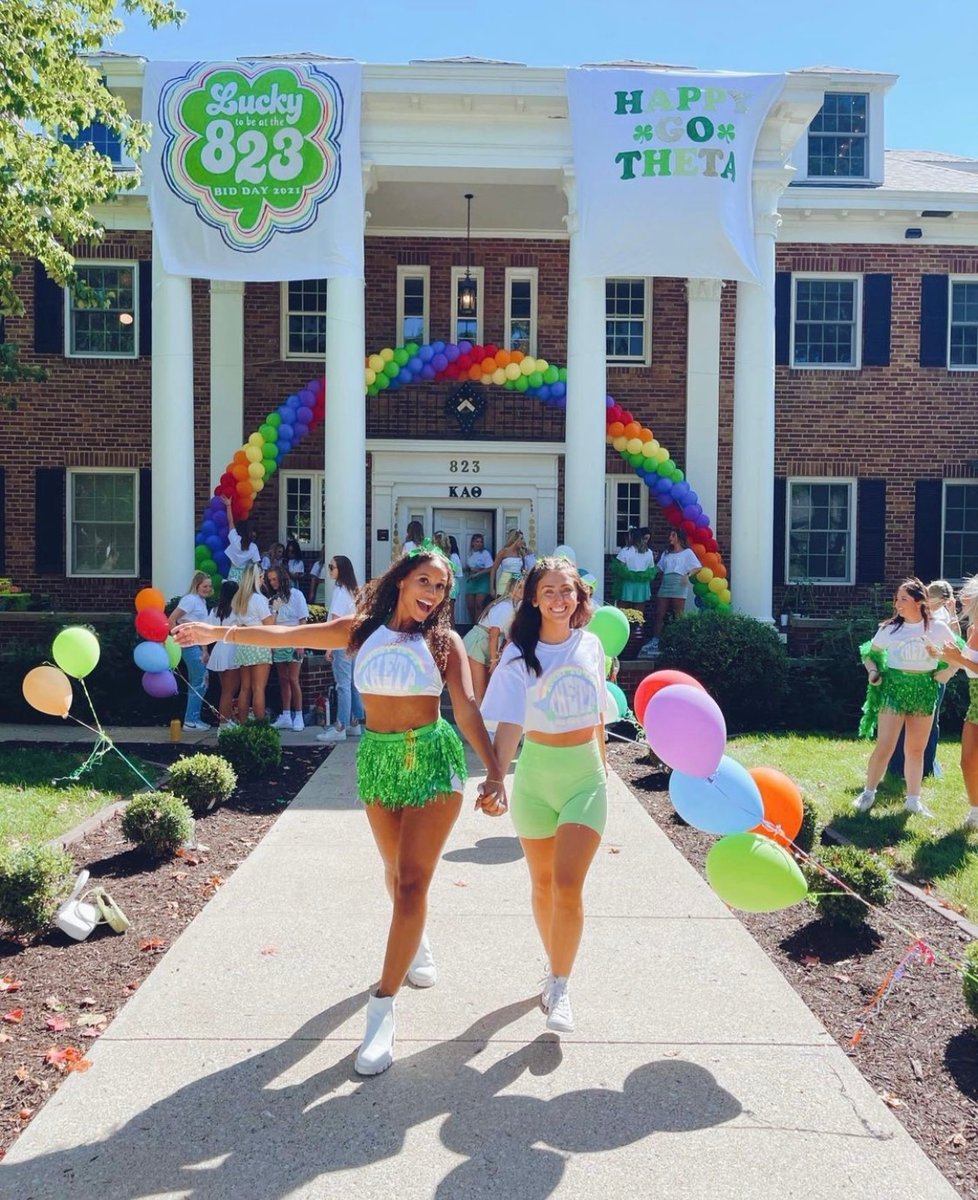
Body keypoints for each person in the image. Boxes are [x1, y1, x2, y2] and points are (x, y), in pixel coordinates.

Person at [174, 544, 506, 1077]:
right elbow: (289, 636)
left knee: (412, 883)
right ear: (402, 581)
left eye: (442, 586)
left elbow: (466, 710)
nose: (433, 593)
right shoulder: (359, 631)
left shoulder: (443, 643)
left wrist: (493, 772)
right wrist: (219, 633)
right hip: (378, 760)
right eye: (425, 581)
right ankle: (415, 941)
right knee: (395, 872)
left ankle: (382, 1009)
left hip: (431, 760)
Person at [481, 556, 610, 1035]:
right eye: (549, 591)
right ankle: (554, 965)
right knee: (542, 885)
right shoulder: (518, 655)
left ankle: (560, 984)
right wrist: (496, 779)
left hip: (584, 777)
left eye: (567, 590)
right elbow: (509, 725)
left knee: (567, 885)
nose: (559, 599)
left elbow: (598, 714)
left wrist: (603, 770)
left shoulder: (591, 645)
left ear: (579, 596)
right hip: (535, 777)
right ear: (534, 599)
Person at [854, 578, 956, 819]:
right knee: (885, 744)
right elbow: (868, 653)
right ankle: (868, 794)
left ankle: (913, 801)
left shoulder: (938, 628)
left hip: (924, 690)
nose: (897, 604)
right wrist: (873, 672)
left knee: (916, 749)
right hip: (893, 690)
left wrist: (946, 672)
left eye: (903, 599)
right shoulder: (889, 629)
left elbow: (956, 654)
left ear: (919, 602)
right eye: (896, 599)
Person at [888, 578, 960, 780]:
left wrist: (953, 613)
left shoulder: (943, 615)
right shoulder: (917, 613)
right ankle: (897, 767)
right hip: (908, 673)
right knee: (902, 720)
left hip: (933, 674)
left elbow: (957, 644)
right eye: (940, 600)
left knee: (930, 721)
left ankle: (926, 766)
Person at [926, 575, 978, 828]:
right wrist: (940, 654)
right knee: (967, 761)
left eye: (968, 596)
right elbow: (964, 665)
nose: (962, 598)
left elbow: (967, 662)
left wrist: (959, 658)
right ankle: (975, 812)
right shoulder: (972, 629)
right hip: (976, 703)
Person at [317, 555, 366, 744]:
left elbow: (336, 622)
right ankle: (354, 722)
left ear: (341, 570)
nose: (329, 570)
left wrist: (329, 646)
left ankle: (340, 726)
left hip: (341, 643)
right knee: (352, 684)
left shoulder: (340, 591)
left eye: (332, 567)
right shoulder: (353, 591)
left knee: (343, 685)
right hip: (353, 643)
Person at [463, 574, 523, 704]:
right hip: (478, 643)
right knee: (479, 692)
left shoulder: (515, 607)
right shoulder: (506, 607)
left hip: (488, 644)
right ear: (512, 588)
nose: (523, 590)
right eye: (519, 587)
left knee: (487, 691)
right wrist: (494, 660)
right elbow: (493, 634)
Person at [640, 528, 701, 657]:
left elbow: (697, 566)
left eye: (673, 535)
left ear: (679, 537)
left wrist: (688, 575)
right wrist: (647, 570)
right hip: (666, 582)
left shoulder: (687, 552)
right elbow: (659, 567)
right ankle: (656, 640)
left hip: (678, 582)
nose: (670, 538)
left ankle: (679, 641)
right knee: (659, 613)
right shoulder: (666, 553)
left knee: (678, 614)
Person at [167, 570, 214, 731]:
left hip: (198, 645)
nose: (207, 589)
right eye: (204, 586)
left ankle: (193, 718)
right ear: (196, 585)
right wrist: (178, 638)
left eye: (209, 586)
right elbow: (172, 619)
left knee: (200, 681)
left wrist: (205, 651)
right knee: (200, 680)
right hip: (190, 646)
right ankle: (190, 720)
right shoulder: (190, 600)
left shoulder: (201, 602)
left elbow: (203, 629)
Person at [265, 567, 309, 733]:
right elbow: (271, 623)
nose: (272, 583)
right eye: (270, 580)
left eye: (274, 579)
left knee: (293, 679)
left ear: (282, 578)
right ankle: (285, 715)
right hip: (279, 640)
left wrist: (301, 643)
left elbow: (303, 619)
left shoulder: (297, 595)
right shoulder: (272, 599)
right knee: (283, 679)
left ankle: (299, 716)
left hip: (294, 639)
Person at [230, 563, 275, 722]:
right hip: (259, 644)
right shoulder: (259, 599)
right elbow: (270, 625)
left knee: (245, 688)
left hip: (243, 644)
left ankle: (243, 725)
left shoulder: (238, 598)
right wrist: (275, 610)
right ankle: (260, 726)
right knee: (259, 688)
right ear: (256, 578)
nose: (263, 581)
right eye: (261, 577)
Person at [204, 581, 241, 727]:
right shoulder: (237, 610)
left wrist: (205, 650)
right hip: (232, 649)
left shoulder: (215, 610)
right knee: (229, 691)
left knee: (225, 690)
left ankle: (226, 721)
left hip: (219, 648)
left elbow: (206, 630)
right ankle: (224, 723)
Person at [612, 527, 656, 610]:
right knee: (631, 608)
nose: (646, 541)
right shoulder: (647, 552)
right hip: (635, 582)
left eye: (648, 539)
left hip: (634, 582)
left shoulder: (627, 551)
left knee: (630, 608)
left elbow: (620, 568)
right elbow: (651, 568)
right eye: (645, 538)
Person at [220, 494, 261, 582]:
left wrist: (228, 505)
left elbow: (230, 521)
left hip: (232, 574)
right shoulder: (253, 547)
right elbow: (256, 565)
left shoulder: (235, 539)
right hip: (245, 578)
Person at [491, 529, 531, 598]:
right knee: (502, 601)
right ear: (515, 539)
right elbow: (493, 569)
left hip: (517, 582)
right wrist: (492, 588)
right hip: (505, 581)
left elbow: (524, 569)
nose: (523, 541)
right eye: (521, 539)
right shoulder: (504, 552)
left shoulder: (520, 553)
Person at [464, 532, 494, 623]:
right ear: (473, 543)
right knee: (470, 606)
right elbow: (468, 566)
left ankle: (477, 625)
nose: (479, 544)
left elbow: (491, 568)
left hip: (482, 580)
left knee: (478, 604)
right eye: (477, 541)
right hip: (472, 580)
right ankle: (473, 623)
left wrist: (479, 573)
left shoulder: (485, 553)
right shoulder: (470, 553)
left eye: (481, 542)